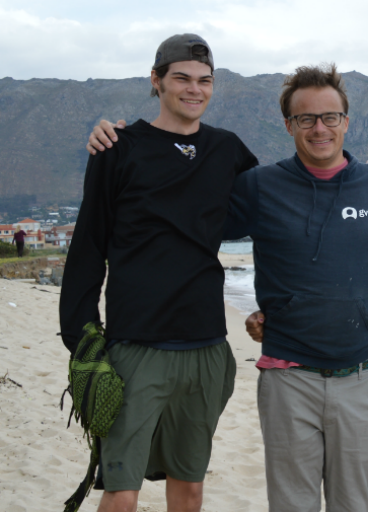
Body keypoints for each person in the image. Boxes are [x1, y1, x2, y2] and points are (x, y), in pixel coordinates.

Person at [60, 34, 258, 512]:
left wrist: (364, 175)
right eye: (182, 79)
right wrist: (81, 338)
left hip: (207, 346)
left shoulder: (227, 149)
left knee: (189, 488)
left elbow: (284, 201)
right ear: (156, 80)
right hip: (136, 347)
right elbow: (88, 248)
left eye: (204, 81)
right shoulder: (117, 148)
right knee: (121, 491)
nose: (195, 89)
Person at [225, 63, 368, 512]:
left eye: (330, 117)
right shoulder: (259, 185)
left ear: (346, 122)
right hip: (288, 379)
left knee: (356, 505)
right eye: (305, 118)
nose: (319, 127)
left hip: (356, 376)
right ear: (289, 124)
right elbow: (192, 236)